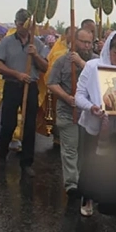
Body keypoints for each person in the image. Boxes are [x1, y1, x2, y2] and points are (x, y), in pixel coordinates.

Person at [75, 31, 116, 232]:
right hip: (97, 128)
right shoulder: (93, 67)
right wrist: (91, 107)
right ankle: (88, 200)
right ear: (108, 50)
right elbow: (79, 95)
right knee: (93, 167)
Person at [0, 9, 48, 178]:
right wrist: (16, 74)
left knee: (29, 125)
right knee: (8, 124)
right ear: (17, 24)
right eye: (22, 24)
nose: (25, 27)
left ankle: (26, 162)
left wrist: (36, 55)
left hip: (30, 87)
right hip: (12, 85)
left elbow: (45, 67)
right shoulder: (7, 42)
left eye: (28, 24)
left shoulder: (37, 44)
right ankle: (2, 154)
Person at [47, 28, 96, 196]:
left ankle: (82, 180)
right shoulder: (61, 61)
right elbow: (52, 83)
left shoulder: (95, 62)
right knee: (70, 148)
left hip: (88, 114)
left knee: (84, 150)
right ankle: (71, 184)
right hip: (67, 111)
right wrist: (67, 97)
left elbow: (101, 80)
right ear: (75, 41)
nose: (87, 46)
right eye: (83, 42)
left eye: (89, 42)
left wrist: (82, 63)